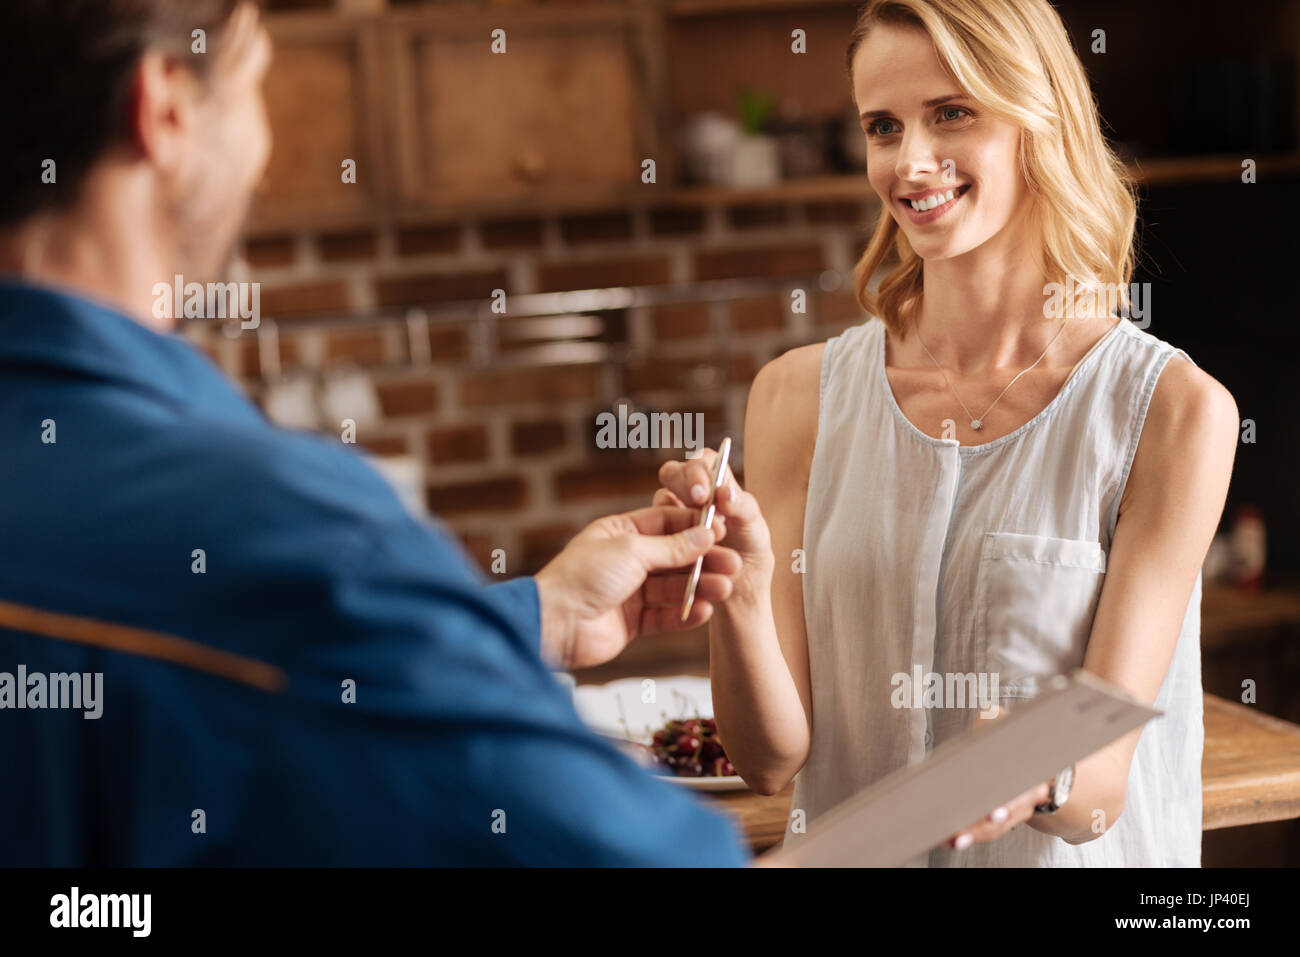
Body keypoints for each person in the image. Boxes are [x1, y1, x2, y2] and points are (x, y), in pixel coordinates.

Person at [0, 0, 751, 866]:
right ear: (163, 109)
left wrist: (532, 613)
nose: (264, 148)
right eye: (254, 80)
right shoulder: (291, 536)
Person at [655, 0, 1238, 866]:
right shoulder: (795, 399)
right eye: (882, 126)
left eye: (951, 113)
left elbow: (1103, 792)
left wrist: (1040, 773)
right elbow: (772, 758)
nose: (911, 162)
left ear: (1037, 119)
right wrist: (738, 591)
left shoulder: (1172, 410)